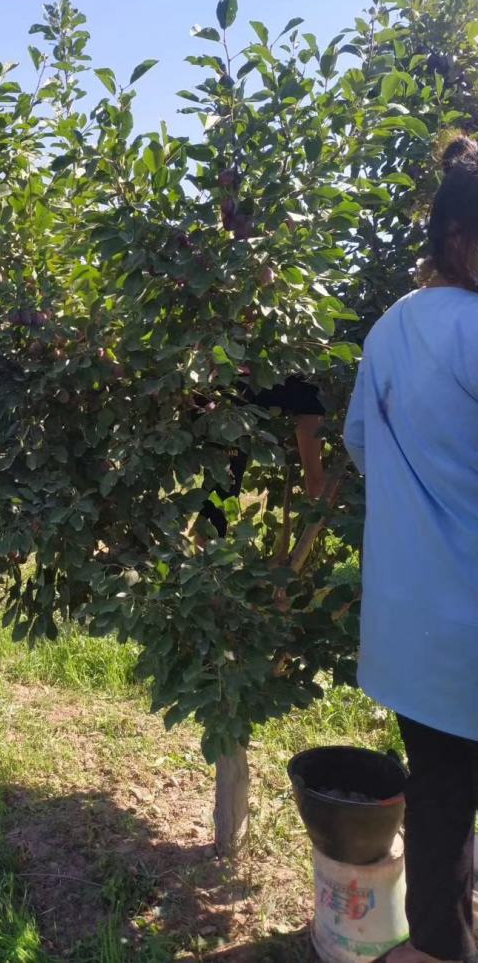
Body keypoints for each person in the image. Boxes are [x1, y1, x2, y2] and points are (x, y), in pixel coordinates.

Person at [344, 135, 478, 963]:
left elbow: (363, 445)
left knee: (438, 795)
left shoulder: (388, 330)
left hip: (412, 633)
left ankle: (438, 944)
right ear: (464, 240)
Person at [194, 375, 326, 542]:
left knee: (316, 480)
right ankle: (206, 556)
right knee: (223, 487)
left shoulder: (309, 391)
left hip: (292, 386)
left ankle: (308, 544)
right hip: (236, 392)